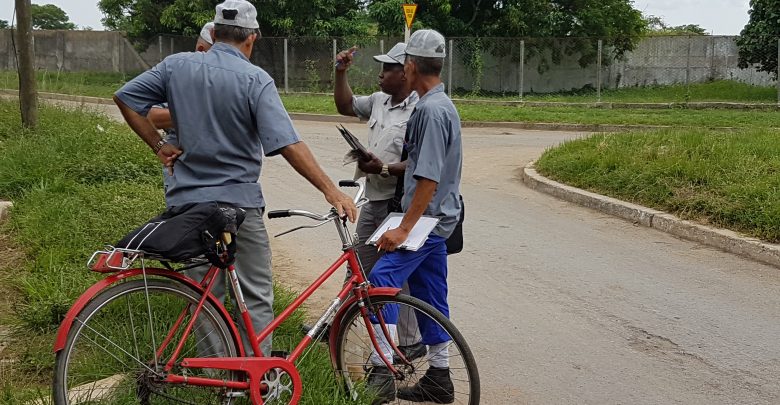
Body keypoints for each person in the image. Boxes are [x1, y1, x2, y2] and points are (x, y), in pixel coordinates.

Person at [112, 0, 356, 357]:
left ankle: (213, 378)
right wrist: (330, 190)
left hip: (186, 204)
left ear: (214, 32)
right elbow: (288, 143)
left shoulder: (177, 66)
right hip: (238, 207)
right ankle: (252, 377)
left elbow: (125, 98)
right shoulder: (255, 79)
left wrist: (158, 145)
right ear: (251, 38)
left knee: (203, 296)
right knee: (255, 294)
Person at [365, 29, 463, 404]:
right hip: (439, 222)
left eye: (401, 63)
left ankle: (381, 371)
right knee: (431, 297)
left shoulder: (431, 110)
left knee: (379, 282)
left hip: (425, 222)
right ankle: (440, 378)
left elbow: (428, 178)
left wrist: (404, 228)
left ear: (410, 65)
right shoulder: (440, 105)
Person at [332, 42, 426, 360]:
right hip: (374, 199)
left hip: (398, 205)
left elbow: (423, 164)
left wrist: (383, 167)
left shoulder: (420, 109)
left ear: (406, 72)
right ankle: (337, 324)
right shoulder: (379, 101)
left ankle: (407, 345)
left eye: (387, 68)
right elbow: (345, 105)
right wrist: (340, 72)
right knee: (358, 264)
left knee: (394, 279)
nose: (381, 73)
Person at [147, 22, 215, 194]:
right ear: (201, 50)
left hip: (224, 178)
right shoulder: (180, 78)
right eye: (218, 56)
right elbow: (151, 115)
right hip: (185, 178)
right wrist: (195, 113)